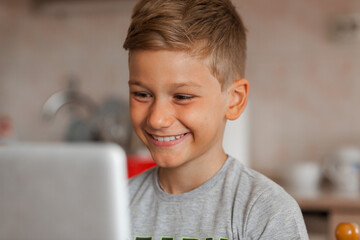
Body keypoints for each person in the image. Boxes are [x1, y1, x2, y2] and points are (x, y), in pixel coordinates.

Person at [123, 0, 309, 239]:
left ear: (234, 100)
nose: (157, 119)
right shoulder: (115, 204)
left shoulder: (266, 211)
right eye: (142, 94)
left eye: (182, 96)